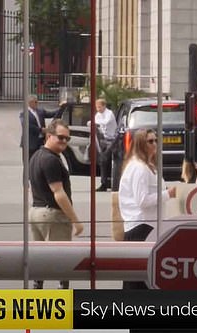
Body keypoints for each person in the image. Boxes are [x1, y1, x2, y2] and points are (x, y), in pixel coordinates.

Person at [29, 119, 84, 289]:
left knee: (41, 258)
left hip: (36, 211)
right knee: (62, 261)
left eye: (67, 139)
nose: (64, 142)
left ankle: (36, 296)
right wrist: (75, 220)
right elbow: (59, 193)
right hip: (52, 214)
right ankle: (62, 298)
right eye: (60, 137)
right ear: (49, 135)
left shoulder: (36, 156)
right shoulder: (51, 160)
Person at [118, 129, 176, 289]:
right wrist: (167, 194)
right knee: (138, 279)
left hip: (148, 226)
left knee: (145, 278)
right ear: (140, 144)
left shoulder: (147, 166)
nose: (154, 144)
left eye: (156, 140)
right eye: (150, 141)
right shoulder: (139, 168)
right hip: (140, 226)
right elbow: (142, 200)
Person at [19, 94, 67, 161]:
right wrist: (41, 130)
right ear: (30, 103)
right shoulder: (24, 114)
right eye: (35, 102)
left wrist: (62, 107)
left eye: (37, 102)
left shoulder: (40, 111)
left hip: (40, 142)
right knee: (29, 163)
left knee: (39, 161)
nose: (37, 104)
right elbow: (28, 126)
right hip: (30, 143)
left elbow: (52, 114)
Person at [93, 98, 117, 191]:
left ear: (104, 106)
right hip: (103, 139)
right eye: (96, 107)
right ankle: (104, 183)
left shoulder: (109, 113)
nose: (98, 109)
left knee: (112, 161)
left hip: (112, 139)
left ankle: (112, 182)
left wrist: (95, 123)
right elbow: (95, 122)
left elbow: (105, 122)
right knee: (103, 161)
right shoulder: (98, 114)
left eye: (99, 107)